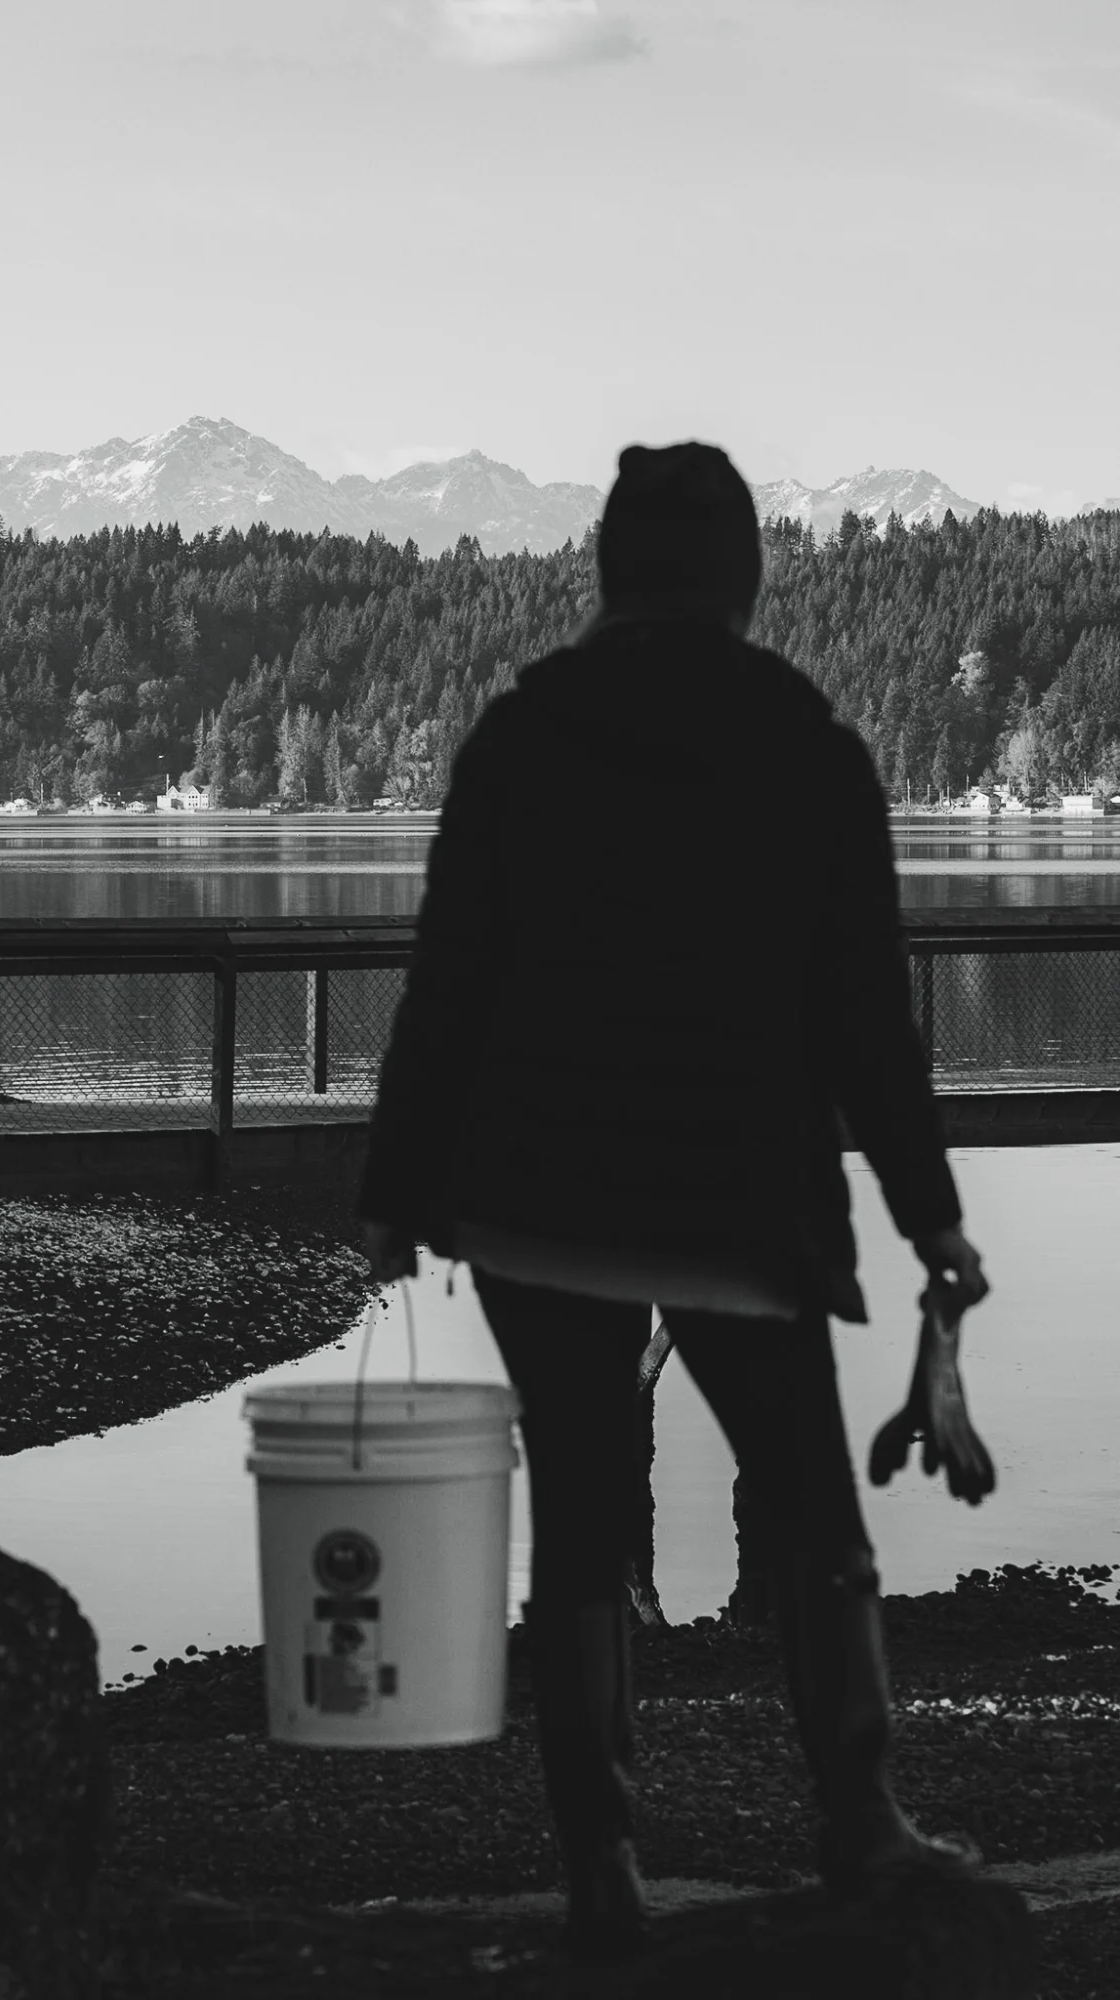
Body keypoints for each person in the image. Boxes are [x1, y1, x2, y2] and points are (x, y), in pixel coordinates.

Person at [357, 442, 989, 1964]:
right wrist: (930, 1216)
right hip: (737, 1203)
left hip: (536, 1200)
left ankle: (602, 1865)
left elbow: (450, 981)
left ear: (608, 572)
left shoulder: (520, 734)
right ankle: (860, 1823)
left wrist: (396, 1189)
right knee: (809, 1508)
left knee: (578, 1518)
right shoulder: (804, 742)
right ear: (742, 580)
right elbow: (865, 1019)